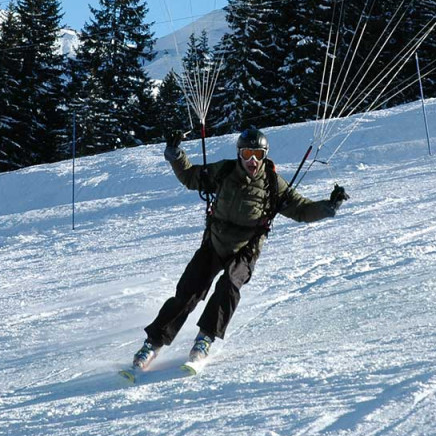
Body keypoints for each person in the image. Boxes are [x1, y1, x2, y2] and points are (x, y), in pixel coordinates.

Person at [127, 127, 348, 375]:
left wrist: (328, 207)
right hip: (214, 243)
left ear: (265, 155)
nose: (252, 160)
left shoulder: (273, 183)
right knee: (188, 291)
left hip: (246, 248)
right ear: (239, 154)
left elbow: (300, 209)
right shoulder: (224, 171)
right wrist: (175, 154)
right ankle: (152, 344)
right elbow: (191, 177)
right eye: (246, 154)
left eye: (258, 154)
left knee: (229, 286)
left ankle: (205, 338)